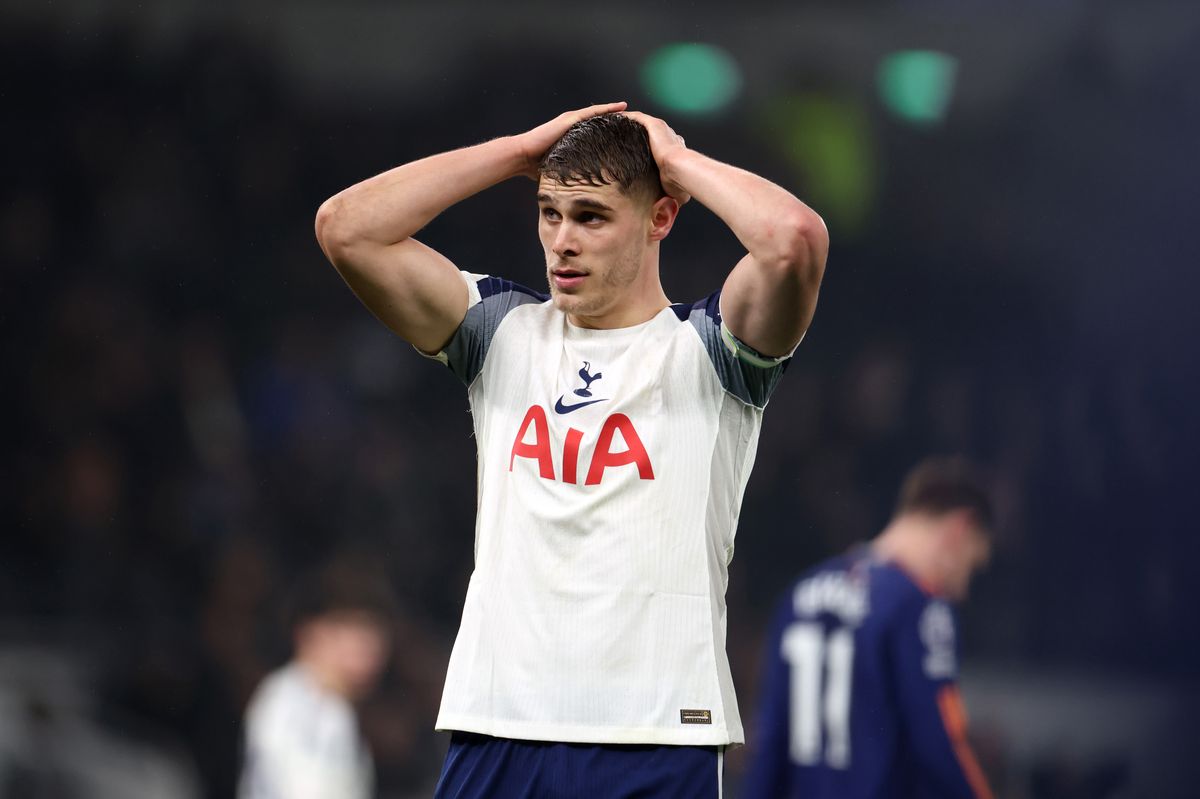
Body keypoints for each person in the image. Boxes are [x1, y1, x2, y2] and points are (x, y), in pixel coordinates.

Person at [315, 102, 828, 797]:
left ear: (660, 218)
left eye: (590, 216)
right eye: (549, 212)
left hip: (654, 734)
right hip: (498, 722)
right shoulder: (500, 333)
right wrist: (516, 151)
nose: (561, 240)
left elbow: (794, 238)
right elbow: (346, 230)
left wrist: (675, 163)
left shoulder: (711, 349)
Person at [743, 456, 996, 799]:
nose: (963, 589)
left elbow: (769, 743)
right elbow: (939, 743)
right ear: (959, 530)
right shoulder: (919, 606)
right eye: (972, 565)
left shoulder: (799, 593)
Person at [237, 563, 394, 799]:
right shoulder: (293, 702)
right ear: (310, 632)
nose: (370, 646)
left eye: (374, 630)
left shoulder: (331, 707)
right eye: (353, 627)